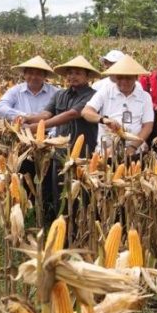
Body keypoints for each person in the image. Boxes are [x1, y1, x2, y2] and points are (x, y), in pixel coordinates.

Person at [29, 56, 101, 217]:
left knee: (81, 195)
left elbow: (71, 114)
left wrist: (37, 127)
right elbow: (46, 114)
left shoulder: (93, 95)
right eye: (69, 73)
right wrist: (26, 120)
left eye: (77, 73)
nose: (72, 76)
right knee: (60, 193)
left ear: (87, 76)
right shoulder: (60, 95)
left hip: (83, 154)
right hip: (60, 153)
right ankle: (62, 226)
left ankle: (81, 229)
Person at [82, 55, 154, 159]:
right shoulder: (105, 91)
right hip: (107, 152)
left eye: (128, 78)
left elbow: (147, 127)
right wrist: (104, 120)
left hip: (135, 153)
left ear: (136, 77)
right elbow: (86, 112)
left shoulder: (145, 96)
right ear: (115, 77)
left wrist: (133, 147)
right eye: (120, 78)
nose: (124, 82)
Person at [0, 56, 58, 128]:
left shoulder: (56, 93)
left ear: (45, 76)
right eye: (30, 73)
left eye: (38, 74)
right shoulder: (15, 91)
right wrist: (24, 116)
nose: (33, 77)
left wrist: (30, 119)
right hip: (20, 133)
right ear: (24, 74)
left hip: (49, 134)